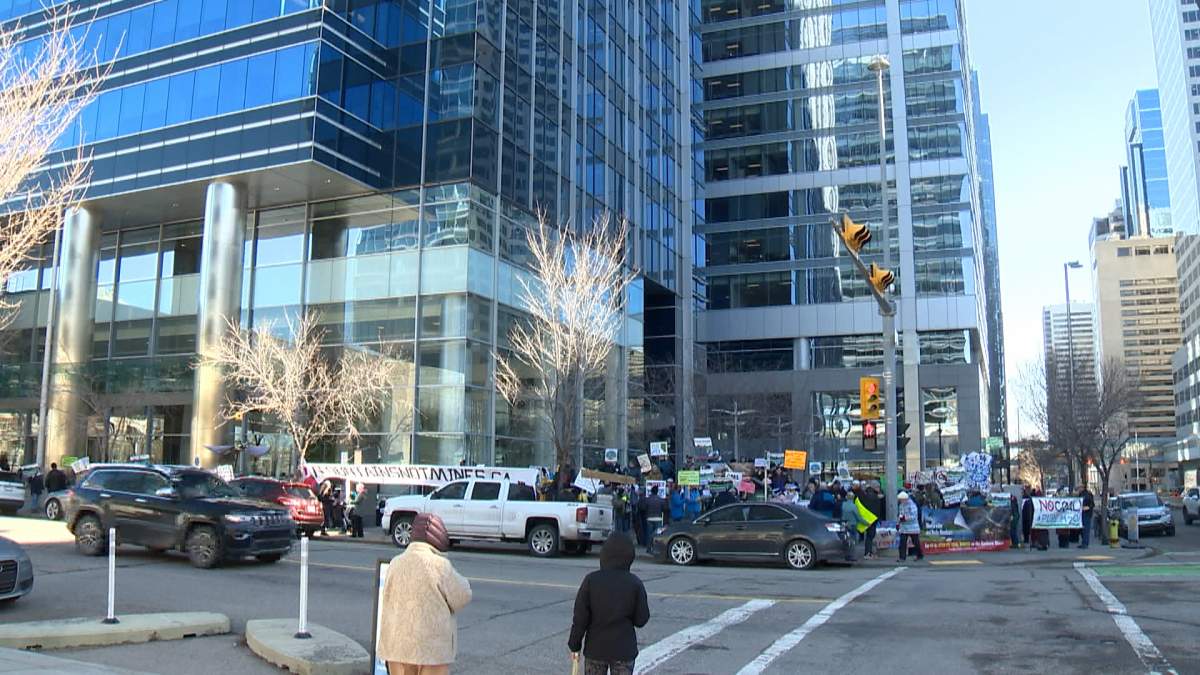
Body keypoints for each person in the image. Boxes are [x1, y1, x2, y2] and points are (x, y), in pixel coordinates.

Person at [378, 513, 472, 675]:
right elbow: (463, 596)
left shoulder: (395, 563)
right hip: (431, 650)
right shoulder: (440, 565)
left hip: (396, 647)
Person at [568, 534, 650, 675]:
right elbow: (641, 620)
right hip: (624, 649)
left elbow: (580, 618)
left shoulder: (591, 580)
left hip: (595, 648)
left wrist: (575, 644)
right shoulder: (635, 583)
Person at [897, 491, 923, 561]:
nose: (900, 501)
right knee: (902, 542)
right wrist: (898, 522)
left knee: (916, 542)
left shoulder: (912, 505)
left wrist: (905, 518)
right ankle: (902, 557)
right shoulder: (901, 505)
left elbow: (914, 516)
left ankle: (920, 555)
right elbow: (900, 514)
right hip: (904, 527)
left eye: (901, 499)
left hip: (913, 527)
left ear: (905, 499)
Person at [859, 485, 883, 559]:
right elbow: (878, 509)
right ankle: (868, 553)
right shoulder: (875, 497)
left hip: (866, 518)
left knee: (868, 536)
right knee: (870, 536)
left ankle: (869, 552)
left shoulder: (865, 497)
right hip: (873, 518)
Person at [840, 490, 863, 561]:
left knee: (845, 540)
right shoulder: (854, 506)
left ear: (846, 497)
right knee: (853, 540)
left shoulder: (843, 505)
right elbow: (859, 517)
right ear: (853, 498)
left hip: (844, 524)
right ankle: (852, 556)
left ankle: (846, 555)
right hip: (852, 525)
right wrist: (867, 523)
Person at [642, 487, 665, 554]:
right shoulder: (660, 500)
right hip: (658, 518)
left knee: (649, 534)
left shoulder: (648, 499)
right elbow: (664, 508)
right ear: (657, 492)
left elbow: (643, 508)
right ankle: (657, 549)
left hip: (649, 518)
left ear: (651, 491)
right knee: (658, 534)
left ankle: (649, 549)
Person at [1078, 485, 1095, 549]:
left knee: (1086, 529)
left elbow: (1092, 504)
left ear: (1082, 488)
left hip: (1086, 514)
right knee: (1082, 530)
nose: (1078, 489)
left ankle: (1085, 543)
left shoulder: (1087, 495)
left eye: (1079, 488)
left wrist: (1087, 508)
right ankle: (1084, 542)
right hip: (1082, 514)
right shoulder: (1081, 494)